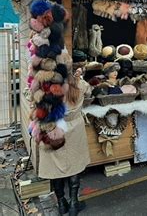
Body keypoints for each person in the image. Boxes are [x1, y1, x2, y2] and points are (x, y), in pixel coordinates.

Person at [40, 67, 91, 216]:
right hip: (75, 128)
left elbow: (31, 99)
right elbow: (89, 92)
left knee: (56, 168)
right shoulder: (80, 85)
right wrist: (79, 77)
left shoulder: (46, 88)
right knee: (74, 165)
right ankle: (74, 204)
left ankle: (62, 203)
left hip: (55, 129)